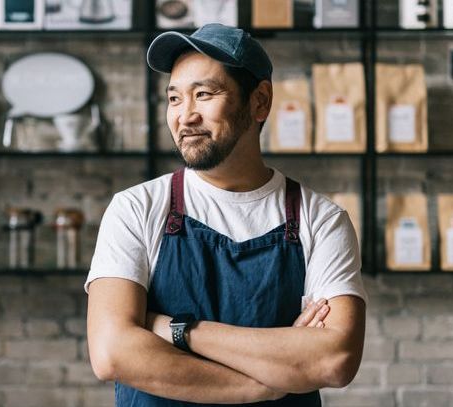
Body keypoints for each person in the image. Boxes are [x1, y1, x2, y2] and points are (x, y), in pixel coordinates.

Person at [85, 23, 367, 406]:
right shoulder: (136, 209)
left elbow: (335, 359)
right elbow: (112, 352)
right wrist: (265, 385)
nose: (185, 117)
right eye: (174, 99)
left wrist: (176, 329)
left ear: (259, 102)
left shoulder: (321, 220)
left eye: (204, 94)